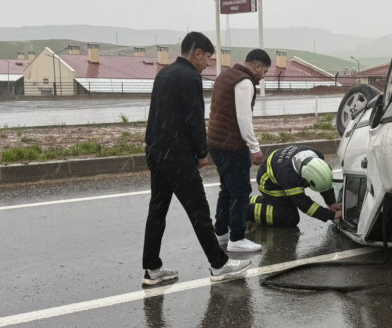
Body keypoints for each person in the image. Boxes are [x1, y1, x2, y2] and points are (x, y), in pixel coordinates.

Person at [142, 31, 251, 286]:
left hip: (156, 151)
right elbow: (194, 119)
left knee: (157, 210)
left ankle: (152, 268)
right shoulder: (190, 77)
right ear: (197, 53)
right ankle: (219, 264)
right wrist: (202, 153)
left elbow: (156, 114)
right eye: (207, 58)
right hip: (178, 156)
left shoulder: (164, 73)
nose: (207, 64)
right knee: (199, 211)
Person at [208, 48, 271, 254]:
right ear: (257, 66)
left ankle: (221, 232)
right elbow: (244, 118)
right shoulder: (245, 82)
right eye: (265, 71)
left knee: (227, 189)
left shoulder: (225, 75)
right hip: (232, 145)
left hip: (216, 142)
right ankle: (237, 237)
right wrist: (255, 148)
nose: (264, 76)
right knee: (240, 192)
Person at [248, 144, 341, 228]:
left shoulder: (317, 156)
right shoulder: (290, 177)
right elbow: (304, 204)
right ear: (304, 180)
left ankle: (252, 200)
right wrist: (330, 215)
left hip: (278, 171)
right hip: (268, 184)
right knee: (289, 218)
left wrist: (331, 202)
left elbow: (324, 181)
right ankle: (244, 211)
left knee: (282, 204)